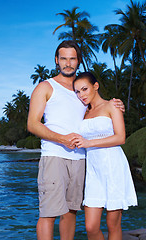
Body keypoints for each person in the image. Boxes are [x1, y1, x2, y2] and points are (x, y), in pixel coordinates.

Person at [27, 40, 125, 240]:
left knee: (71, 212)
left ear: (78, 61)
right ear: (56, 60)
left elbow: (100, 110)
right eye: (63, 58)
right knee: (48, 213)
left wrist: (117, 104)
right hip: (54, 156)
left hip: (81, 159)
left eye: (72, 58)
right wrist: (61, 139)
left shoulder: (81, 90)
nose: (68, 63)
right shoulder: (45, 87)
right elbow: (32, 124)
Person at [72, 72, 138, 240]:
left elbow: (120, 137)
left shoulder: (112, 106)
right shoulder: (83, 112)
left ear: (96, 86)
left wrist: (88, 143)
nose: (81, 95)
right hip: (93, 172)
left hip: (113, 166)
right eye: (77, 91)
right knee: (91, 227)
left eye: (85, 89)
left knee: (112, 224)